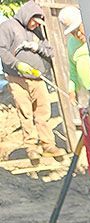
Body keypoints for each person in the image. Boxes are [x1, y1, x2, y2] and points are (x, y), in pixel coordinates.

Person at [0, 1, 58, 161]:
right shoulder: (8, 27)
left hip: (38, 77)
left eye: (38, 22)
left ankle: (48, 144)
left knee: (43, 112)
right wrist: (16, 64)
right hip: (17, 78)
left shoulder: (37, 31)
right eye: (34, 21)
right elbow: (2, 50)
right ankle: (31, 147)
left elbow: (50, 51)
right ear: (27, 16)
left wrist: (38, 48)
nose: (36, 24)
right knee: (25, 112)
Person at [57, 6, 90, 106]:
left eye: (78, 28)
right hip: (88, 93)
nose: (78, 34)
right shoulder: (71, 43)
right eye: (73, 32)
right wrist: (71, 89)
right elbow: (73, 69)